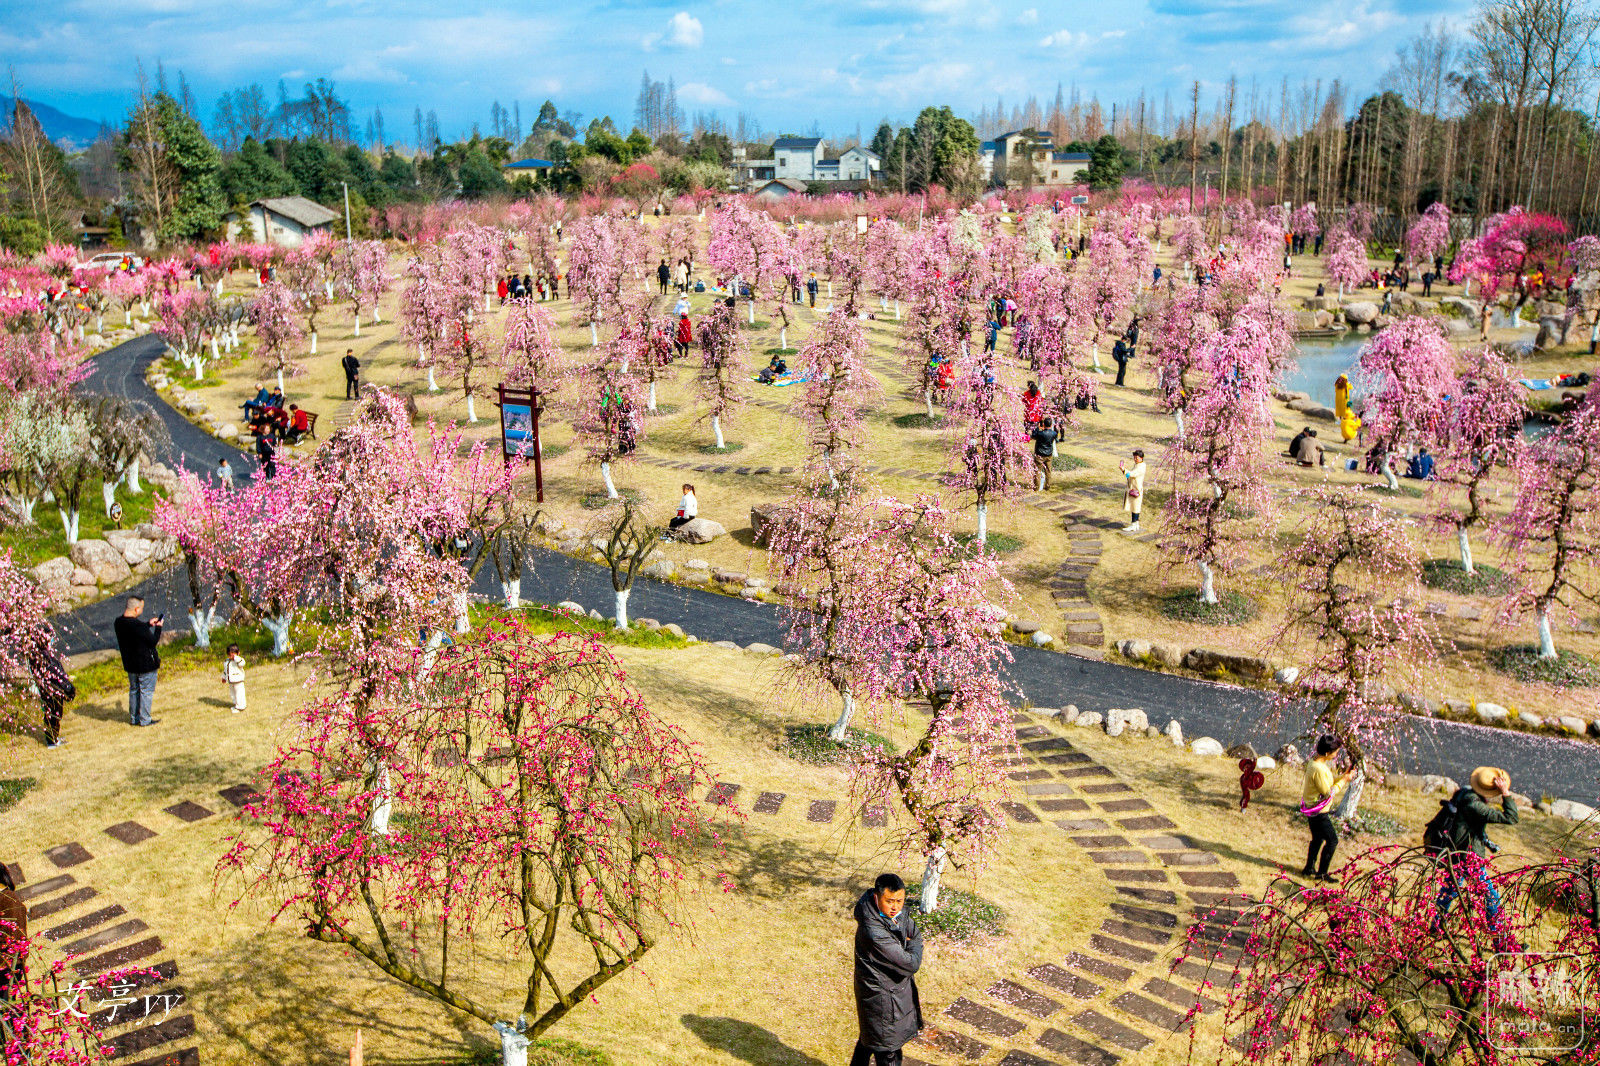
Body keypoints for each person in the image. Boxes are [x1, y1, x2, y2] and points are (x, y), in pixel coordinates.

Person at [851, 872, 923, 1066]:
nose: (895, 907)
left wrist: (911, 944)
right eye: (890, 901)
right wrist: (910, 947)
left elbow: (914, 934)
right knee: (888, 1051)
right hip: (882, 1001)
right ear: (876, 896)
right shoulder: (874, 932)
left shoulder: (891, 914)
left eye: (900, 901)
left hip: (887, 996)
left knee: (869, 1040)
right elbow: (911, 963)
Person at [1434, 766, 1519, 930]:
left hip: (1455, 852)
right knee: (1491, 895)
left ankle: (1436, 925)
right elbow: (1511, 817)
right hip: (1468, 857)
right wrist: (1505, 793)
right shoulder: (1474, 805)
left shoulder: (1464, 793)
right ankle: (1499, 938)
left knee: (1450, 889)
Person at [1299, 734, 1356, 882]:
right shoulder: (1319, 769)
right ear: (1327, 753)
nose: (1337, 754)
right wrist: (1344, 780)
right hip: (1319, 812)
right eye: (1335, 752)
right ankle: (1322, 873)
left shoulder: (1315, 763)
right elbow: (1328, 793)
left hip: (1312, 809)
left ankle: (1309, 868)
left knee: (1317, 839)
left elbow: (1327, 782)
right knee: (1332, 840)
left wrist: (1343, 775)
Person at [114, 596, 162, 727]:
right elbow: (152, 641)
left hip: (130, 664)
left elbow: (135, 632)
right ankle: (145, 719)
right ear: (136, 609)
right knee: (146, 691)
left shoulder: (118, 623)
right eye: (141, 608)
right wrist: (158, 628)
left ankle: (134, 718)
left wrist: (147, 624)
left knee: (134, 690)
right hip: (145, 665)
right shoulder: (138, 626)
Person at [26, 627, 73, 748]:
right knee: (53, 715)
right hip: (52, 691)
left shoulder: (39, 655)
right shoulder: (43, 657)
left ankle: (54, 737)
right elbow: (54, 674)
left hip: (50, 690)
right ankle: (52, 741)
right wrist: (66, 686)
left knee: (53, 714)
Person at [0, 863, 25, 1004]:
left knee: (6, 1005)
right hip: (14, 961)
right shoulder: (10, 898)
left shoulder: (6, 901)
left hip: (7, 963)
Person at [1119, 449, 1146, 533]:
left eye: (1136, 457)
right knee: (1135, 507)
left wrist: (1124, 470)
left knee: (1135, 507)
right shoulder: (1138, 464)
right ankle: (1136, 523)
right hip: (1134, 488)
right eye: (1134, 457)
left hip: (1136, 489)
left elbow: (1133, 474)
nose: (1135, 459)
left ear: (1141, 458)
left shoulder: (1141, 466)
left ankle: (1133, 524)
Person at [1030, 417, 1058, 492]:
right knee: (1048, 471)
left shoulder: (1040, 434)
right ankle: (1047, 486)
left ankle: (1036, 487)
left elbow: (1033, 435)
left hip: (1040, 454)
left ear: (1043, 424)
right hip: (1049, 454)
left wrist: (1037, 428)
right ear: (1051, 424)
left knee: (1037, 471)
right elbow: (1056, 440)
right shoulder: (1054, 433)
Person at [222, 643, 247, 713]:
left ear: (238, 653)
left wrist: (236, 658)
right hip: (231, 681)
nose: (231, 656)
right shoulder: (227, 661)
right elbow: (225, 670)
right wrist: (224, 677)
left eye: (233, 654)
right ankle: (236, 704)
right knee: (233, 694)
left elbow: (242, 663)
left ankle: (241, 706)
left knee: (239, 693)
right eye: (230, 655)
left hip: (238, 681)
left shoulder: (239, 661)